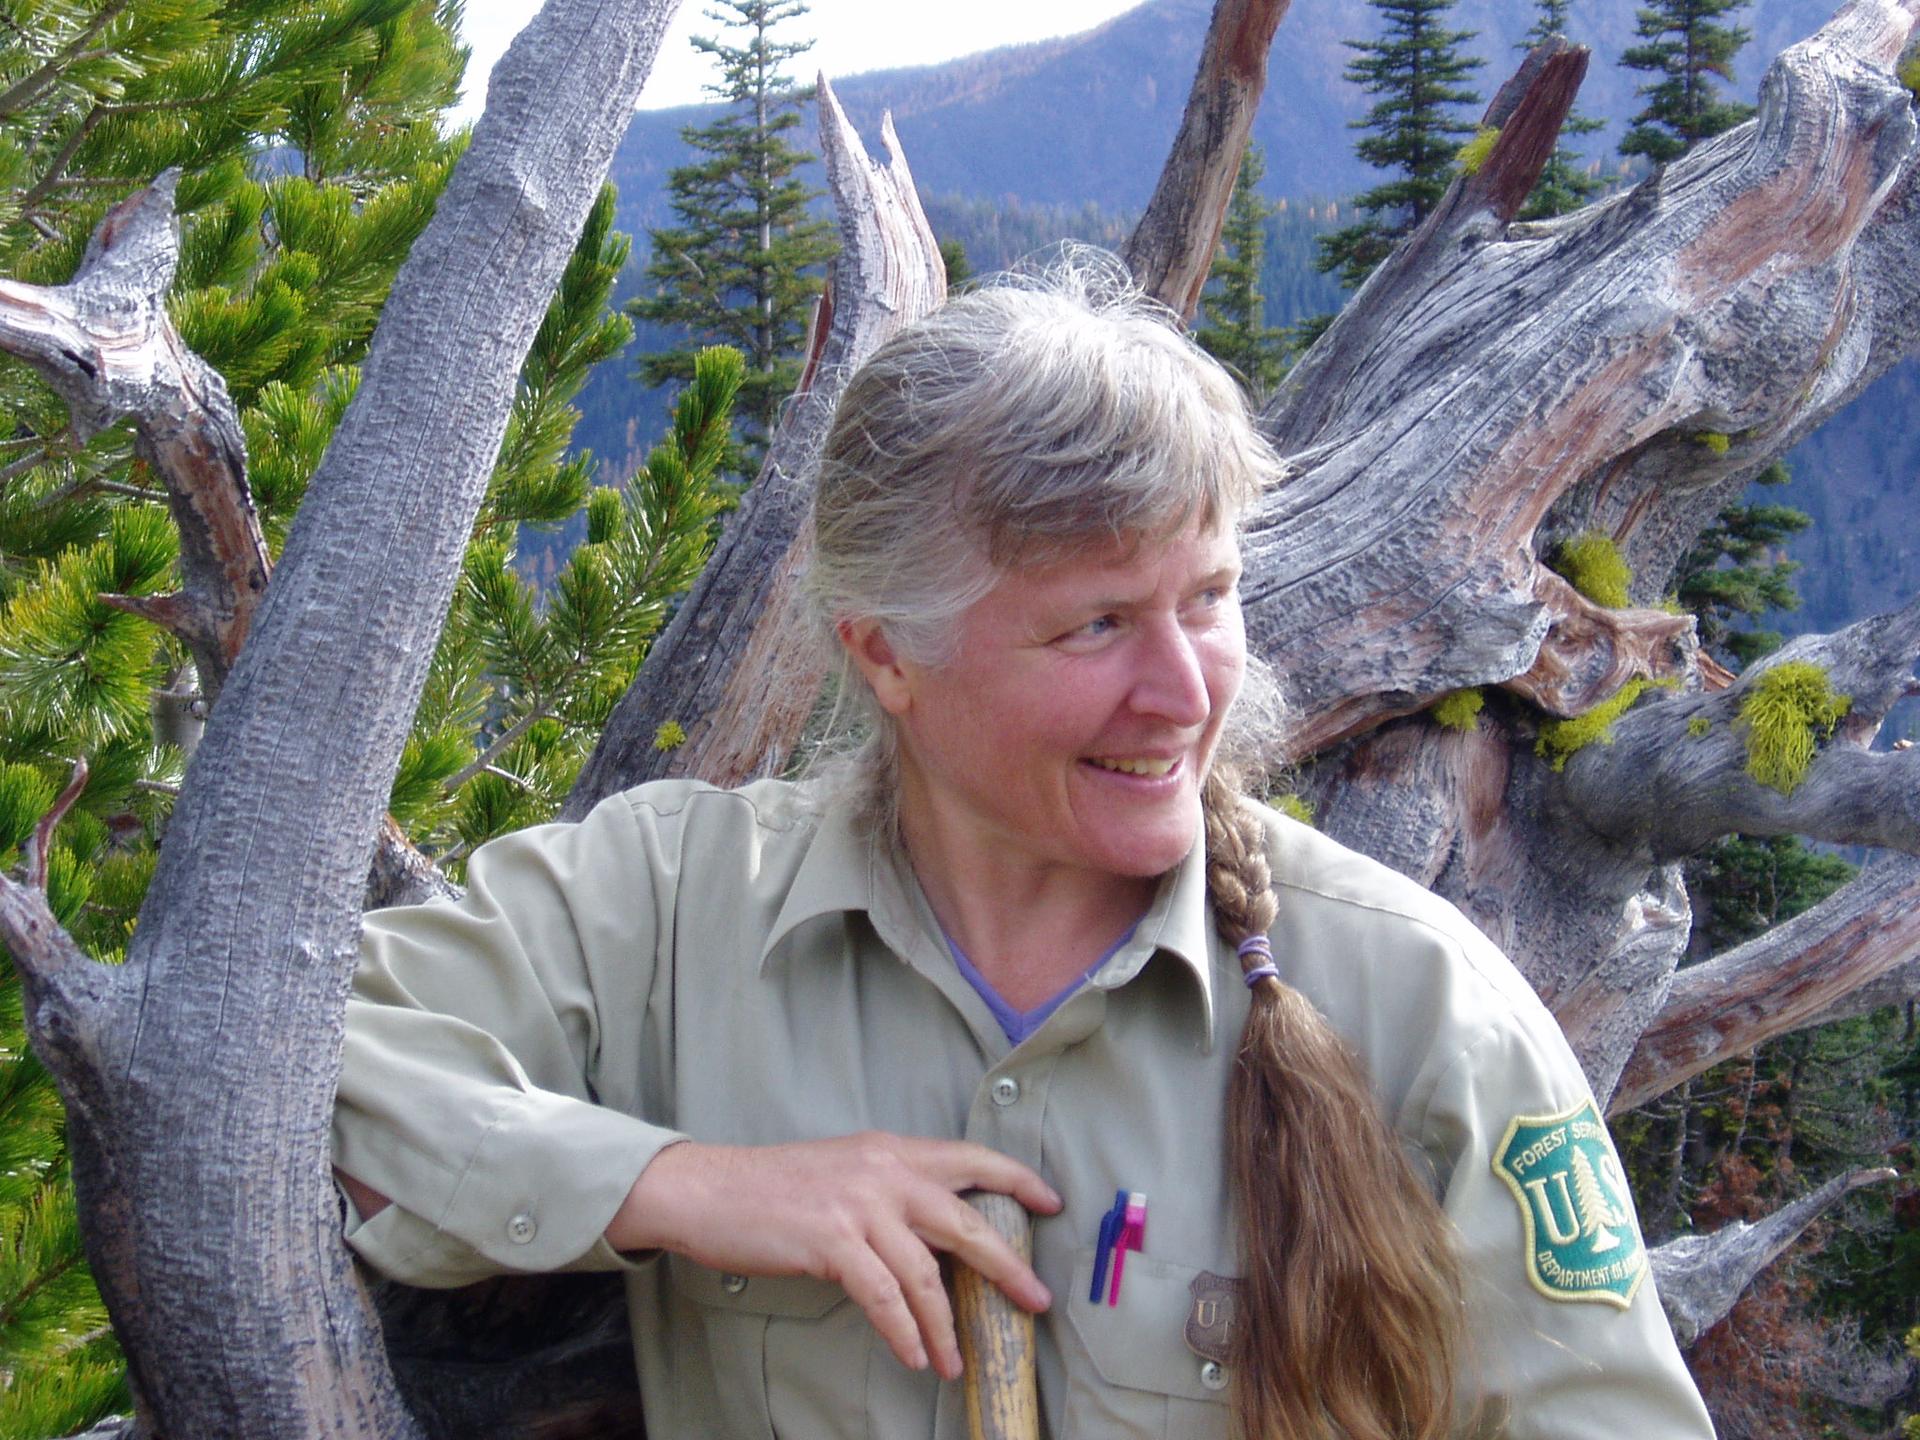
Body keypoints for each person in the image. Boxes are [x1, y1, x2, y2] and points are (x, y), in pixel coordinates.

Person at [333, 254, 1716, 1439]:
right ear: (886, 656)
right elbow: (312, 1055)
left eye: (1211, 597)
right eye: (1097, 624)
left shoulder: (1409, 999)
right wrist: (682, 1187)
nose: (1187, 691)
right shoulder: (670, 908)